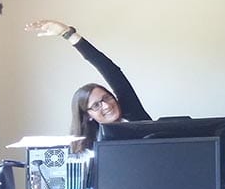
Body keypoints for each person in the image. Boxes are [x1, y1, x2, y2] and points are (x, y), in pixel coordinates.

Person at [26, 19, 151, 152]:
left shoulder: (134, 115)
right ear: (88, 115)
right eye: (96, 105)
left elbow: (110, 70)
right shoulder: (88, 148)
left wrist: (67, 33)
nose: (106, 105)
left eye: (107, 98)